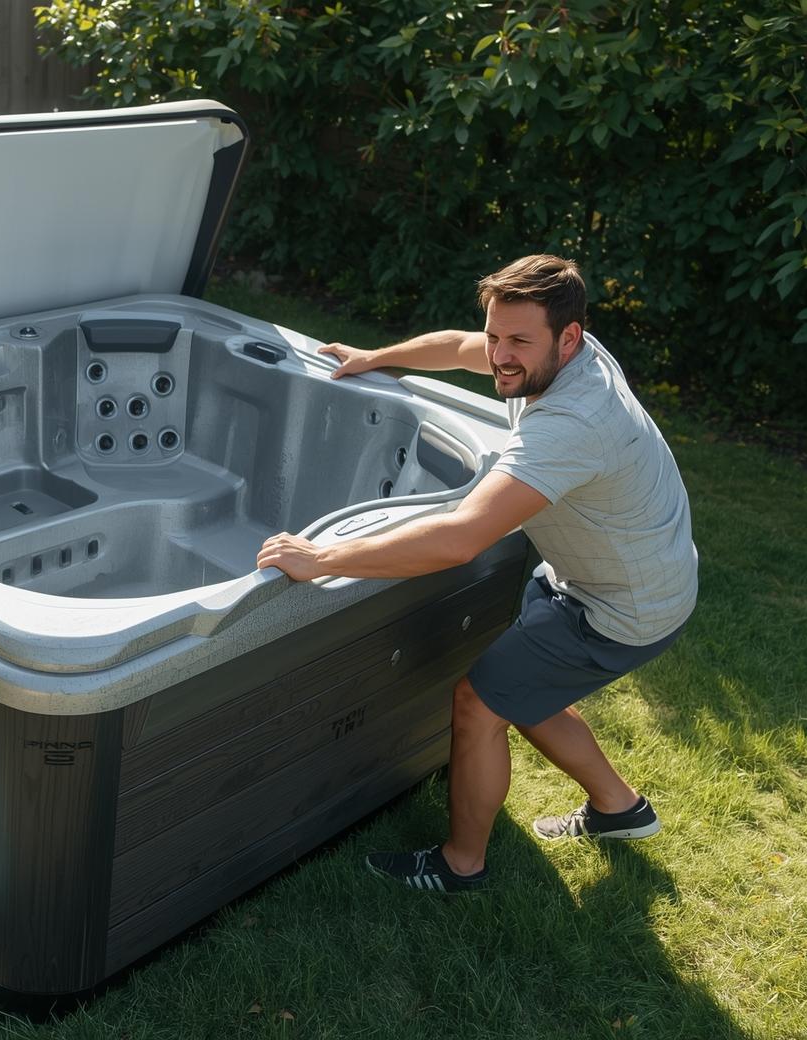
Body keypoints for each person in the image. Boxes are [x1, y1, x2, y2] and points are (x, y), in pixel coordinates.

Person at [256, 254, 697, 893]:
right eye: (497, 335)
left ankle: (462, 864)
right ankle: (619, 809)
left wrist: (321, 560)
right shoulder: (562, 350)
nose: (500, 355)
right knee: (526, 691)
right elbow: (461, 348)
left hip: (622, 608)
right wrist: (377, 356)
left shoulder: (574, 424)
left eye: (519, 342)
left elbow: (461, 539)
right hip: (619, 577)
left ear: (569, 337)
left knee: (481, 701)